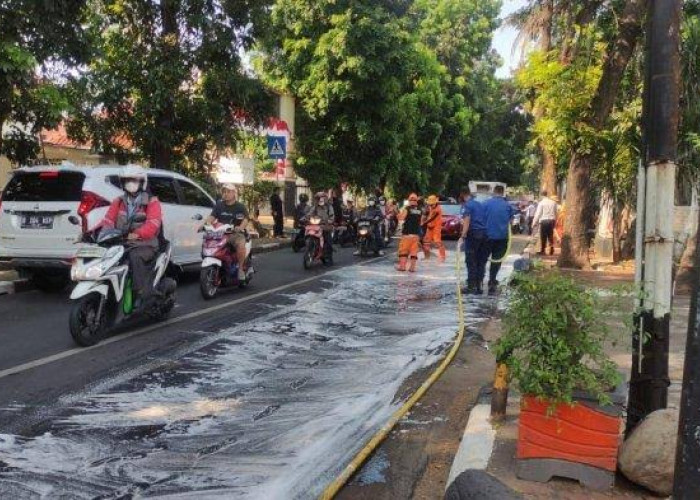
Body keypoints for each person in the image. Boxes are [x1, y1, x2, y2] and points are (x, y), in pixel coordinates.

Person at [101, 165, 163, 307]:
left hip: (145, 244)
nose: (130, 183)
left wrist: (136, 234)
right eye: (127, 180)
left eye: (134, 180)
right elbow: (107, 220)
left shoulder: (152, 202)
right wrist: (92, 233)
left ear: (142, 182)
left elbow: (153, 225)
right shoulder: (118, 201)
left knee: (134, 257)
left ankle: (140, 292)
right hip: (122, 243)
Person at [203, 184, 250, 282]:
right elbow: (212, 217)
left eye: (228, 191)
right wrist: (205, 224)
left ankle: (240, 270)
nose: (226, 194)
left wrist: (240, 227)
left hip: (234, 234)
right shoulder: (219, 205)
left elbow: (245, 219)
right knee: (207, 242)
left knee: (241, 245)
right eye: (224, 191)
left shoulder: (240, 206)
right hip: (220, 233)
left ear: (234, 193)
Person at [483, 185, 515, 295]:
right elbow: (511, 221)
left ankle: (478, 280)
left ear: (493, 191)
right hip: (502, 237)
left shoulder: (485, 203)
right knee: (497, 259)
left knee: (482, 259)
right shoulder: (507, 206)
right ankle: (492, 280)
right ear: (503, 192)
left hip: (486, 236)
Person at [457, 186, 487, 295]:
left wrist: (463, 235)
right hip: (484, 234)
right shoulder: (479, 204)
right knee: (480, 261)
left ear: (463, 195)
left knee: (471, 261)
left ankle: (471, 287)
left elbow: (467, 220)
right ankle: (479, 286)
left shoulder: (467, 205)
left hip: (473, 234)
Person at [397, 193, 422, 272]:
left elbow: (401, 218)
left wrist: (397, 213)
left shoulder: (407, 209)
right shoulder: (420, 210)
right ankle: (412, 268)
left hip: (407, 234)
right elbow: (421, 222)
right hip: (416, 235)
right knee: (414, 252)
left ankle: (402, 267)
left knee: (403, 251)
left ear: (409, 200)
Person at [308, 191, 335, 264]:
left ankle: (330, 258)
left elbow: (332, 216)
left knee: (328, 241)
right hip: (316, 226)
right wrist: (305, 218)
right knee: (308, 233)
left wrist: (329, 221)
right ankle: (311, 249)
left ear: (325, 198)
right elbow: (309, 214)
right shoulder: (315, 207)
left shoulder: (329, 207)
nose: (320, 199)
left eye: (321, 197)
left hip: (326, 226)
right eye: (318, 198)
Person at [532, 190, 559, 255]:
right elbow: (556, 213)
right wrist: (555, 220)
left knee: (543, 236)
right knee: (550, 235)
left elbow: (538, 214)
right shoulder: (553, 202)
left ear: (541, 195)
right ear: (547, 194)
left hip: (544, 220)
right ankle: (551, 249)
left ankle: (543, 250)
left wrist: (534, 222)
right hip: (552, 220)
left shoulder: (541, 203)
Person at [422, 195, 446, 262]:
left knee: (437, 242)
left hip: (436, 227)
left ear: (435, 203)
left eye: (432, 204)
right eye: (430, 204)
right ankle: (427, 257)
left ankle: (442, 257)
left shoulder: (438, 209)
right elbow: (428, 216)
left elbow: (431, 218)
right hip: (429, 227)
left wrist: (423, 223)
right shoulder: (430, 207)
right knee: (426, 242)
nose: (430, 205)